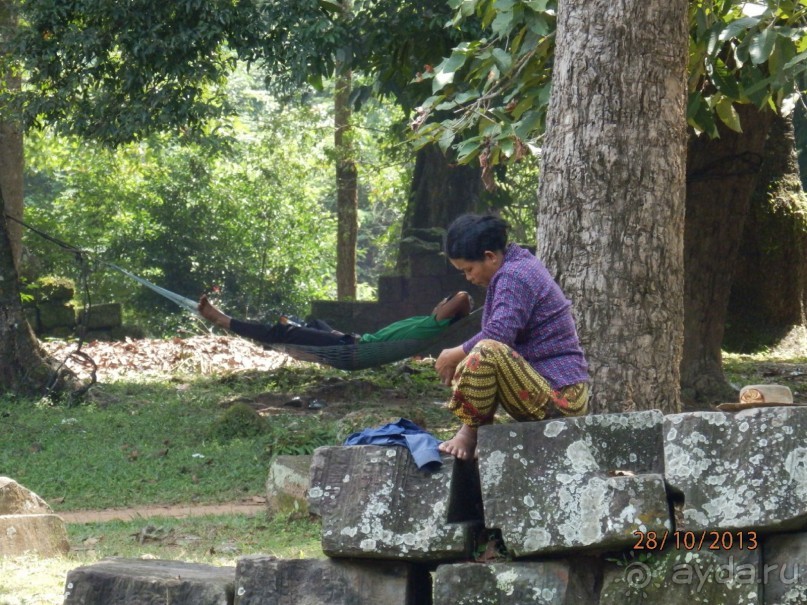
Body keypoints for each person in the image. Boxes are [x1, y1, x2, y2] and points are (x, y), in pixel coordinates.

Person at [435, 214, 589, 460]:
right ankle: (471, 430)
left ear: (490, 257)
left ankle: (469, 433)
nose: (469, 278)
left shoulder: (515, 276)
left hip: (562, 398)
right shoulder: (516, 267)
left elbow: (498, 336)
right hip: (542, 386)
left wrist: (453, 355)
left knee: (486, 352)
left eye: (469, 269)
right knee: (482, 353)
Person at [197, 291, 474, 348]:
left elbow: (462, 297)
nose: (440, 300)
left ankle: (223, 320)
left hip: (351, 348)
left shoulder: (434, 324)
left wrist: (452, 306)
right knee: (315, 323)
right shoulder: (426, 321)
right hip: (352, 340)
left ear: (446, 311)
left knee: (284, 332)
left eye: (443, 301)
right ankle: (294, 331)